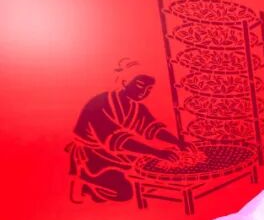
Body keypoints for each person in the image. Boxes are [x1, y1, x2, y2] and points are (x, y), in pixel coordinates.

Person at [67, 61, 186, 203]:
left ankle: (94, 191)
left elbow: (153, 128)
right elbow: (117, 140)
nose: (144, 93)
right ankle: (85, 178)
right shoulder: (100, 103)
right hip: (92, 155)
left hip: (114, 154)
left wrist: (177, 142)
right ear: (125, 82)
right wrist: (157, 152)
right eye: (140, 85)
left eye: (148, 89)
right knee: (125, 192)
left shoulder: (136, 108)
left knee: (151, 170)